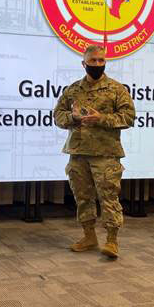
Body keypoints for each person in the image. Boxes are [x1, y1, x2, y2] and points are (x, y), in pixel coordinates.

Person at [54, 45, 135, 258]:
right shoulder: (72, 90)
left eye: (101, 61)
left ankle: (111, 241)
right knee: (82, 197)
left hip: (106, 153)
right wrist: (73, 118)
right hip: (78, 152)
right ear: (84, 63)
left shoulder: (117, 89)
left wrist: (102, 119)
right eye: (93, 61)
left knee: (108, 196)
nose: (97, 64)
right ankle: (89, 236)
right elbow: (58, 116)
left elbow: (128, 117)